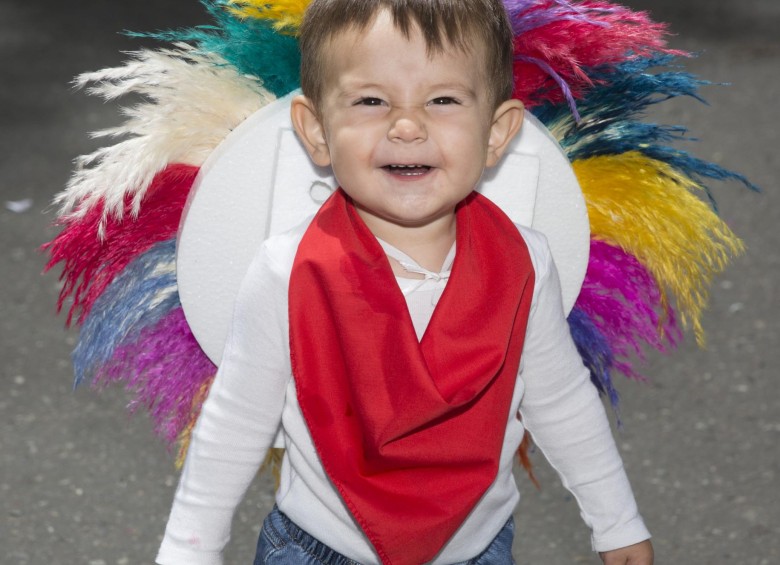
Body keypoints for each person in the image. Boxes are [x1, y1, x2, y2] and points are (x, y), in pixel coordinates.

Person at [157, 1, 654, 563]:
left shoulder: (524, 263)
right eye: (371, 100)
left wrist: (616, 523)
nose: (407, 125)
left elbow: (560, 400)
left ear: (497, 132)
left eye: (442, 100)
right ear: (317, 131)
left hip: (477, 550)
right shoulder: (287, 270)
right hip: (315, 548)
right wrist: (188, 549)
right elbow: (236, 419)